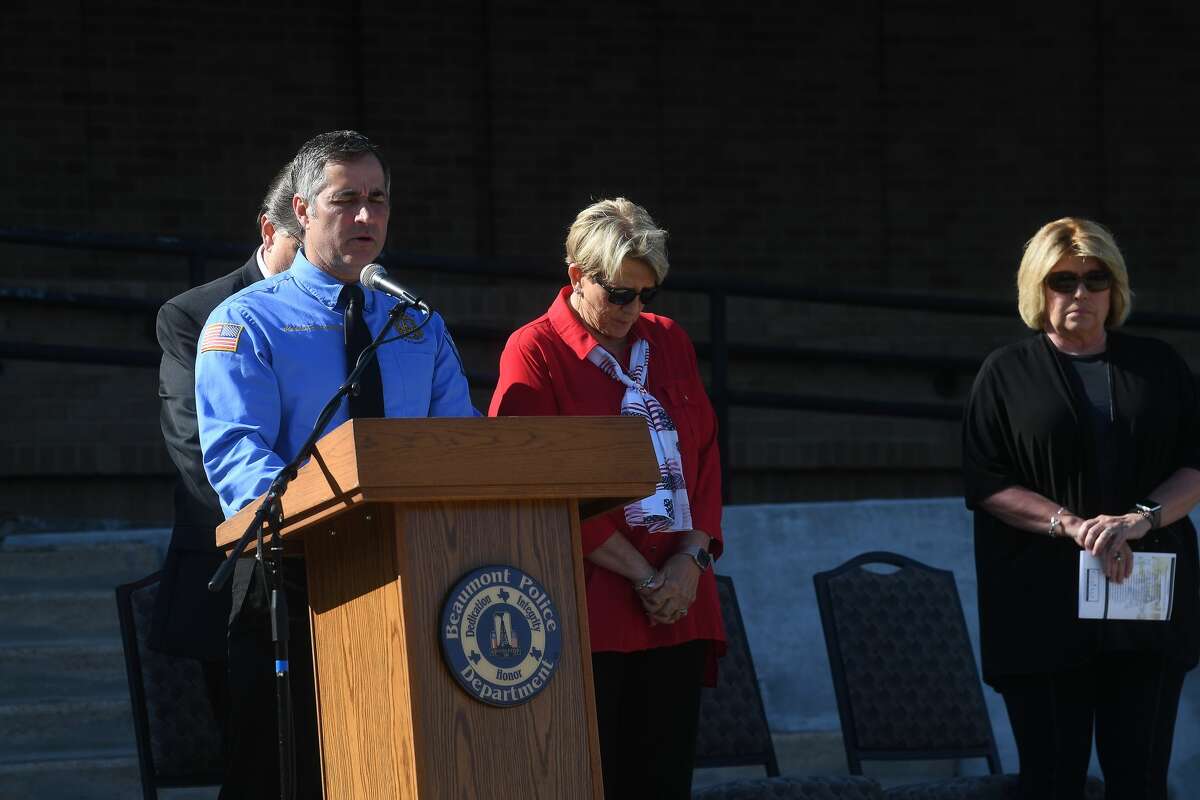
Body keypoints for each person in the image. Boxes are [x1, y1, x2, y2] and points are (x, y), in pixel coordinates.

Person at [196, 130, 476, 799]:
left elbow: (460, 446)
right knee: (282, 777)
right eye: (344, 200)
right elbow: (238, 456)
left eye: (377, 201)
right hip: (294, 583)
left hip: (413, 578)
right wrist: (341, 528)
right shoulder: (245, 322)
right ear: (301, 210)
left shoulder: (417, 323)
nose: (365, 217)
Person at [489, 197, 725, 799]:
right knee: (594, 779)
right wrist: (646, 576)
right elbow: (536, 482)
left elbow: (705, 458)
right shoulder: (535, 350)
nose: (633, 310)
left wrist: (689, 561)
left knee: (665, 780)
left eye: (646, 295)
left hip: (679, 597)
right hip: (591, 604)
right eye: (619, 294)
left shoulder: (668, 340)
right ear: (576, 276)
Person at [962, 217, 1200, 799]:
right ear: (1036, 288)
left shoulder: (1158, 365)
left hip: (1144, 605)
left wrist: (1137, 519)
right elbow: (986, 479)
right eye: (1062, 280)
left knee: (1141, 780)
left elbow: (1195, 464)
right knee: (1051, 781)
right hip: (1040, 606)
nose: (1080, 294)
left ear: (1114, 288)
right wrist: (1069, 524)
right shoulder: (1004, 373)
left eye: (1095, 279)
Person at [149, 162, 302, 734]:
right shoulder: (195, 315)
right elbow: (196, 447)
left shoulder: (352, 308)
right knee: (253, 760)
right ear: (271, 231)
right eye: (300, 247)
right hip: (232, 573)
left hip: (337, 567)